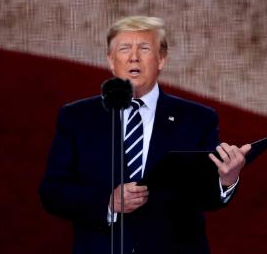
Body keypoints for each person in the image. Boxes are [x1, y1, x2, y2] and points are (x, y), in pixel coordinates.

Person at [39, 16, 251, 254]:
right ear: (111, 60)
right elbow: (52, 191)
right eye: (124, 48)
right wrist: (108, 202)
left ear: (161, 59)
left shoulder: (198, 119)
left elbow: (206, 197)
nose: (134, 57)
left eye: (144, 48)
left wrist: (226, 179)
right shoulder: (77, 117)